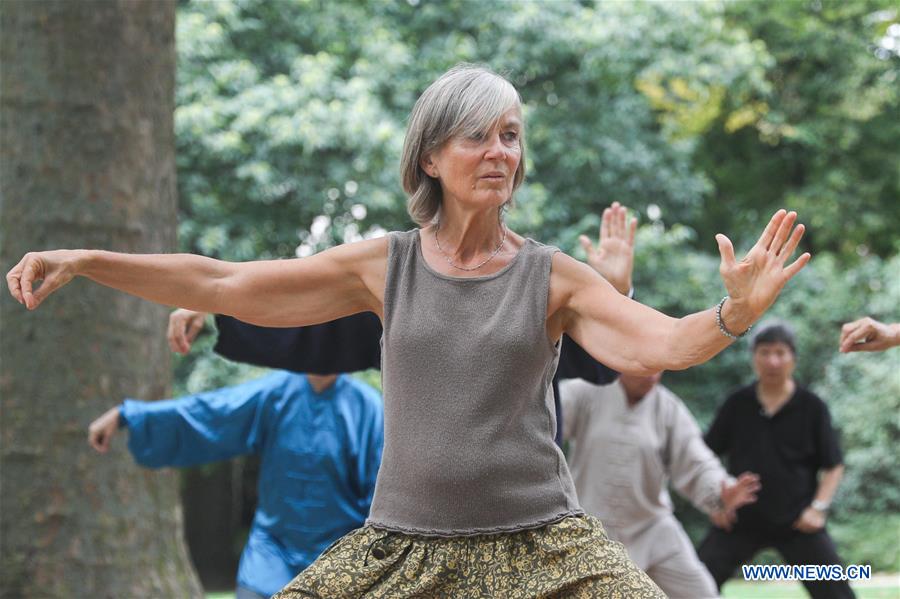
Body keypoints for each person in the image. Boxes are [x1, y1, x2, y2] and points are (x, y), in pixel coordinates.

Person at [8, 64, 810, 597]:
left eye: (511, 134)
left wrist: (733, 313)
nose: (501, 151)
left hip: (545, 549)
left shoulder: (554, 275)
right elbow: (223, 281)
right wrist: (87, 258)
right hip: (403, 547)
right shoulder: (380, 264)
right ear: (431, 155)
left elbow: (662, 344)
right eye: (480, 136)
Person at [165, 202, 639, 447]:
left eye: (508, 138)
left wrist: (614, 296)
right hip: (423, 517)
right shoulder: (396, 286)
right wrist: (221, 310)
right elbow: (311, 329)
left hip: (527, 513)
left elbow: (602, 362)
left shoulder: (539, 281)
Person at [87, 371, 383, 599]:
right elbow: (210, 414)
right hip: (272, 555)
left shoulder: (369, 409)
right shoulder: (274, 394)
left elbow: (381, 499)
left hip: (338, 559)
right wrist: (127, 415)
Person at [560, 372, 760, 598]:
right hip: (591, 530)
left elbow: (697, 461)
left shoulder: (668, 408)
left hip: (652, 529)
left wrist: (720, 490)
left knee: (703, 593)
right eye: (646, 365)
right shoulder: (587, 391)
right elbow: (544, 418)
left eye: (659, 367)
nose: (652, 375)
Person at [698, 322, 854, 599]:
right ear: (754, 358)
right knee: (693, 583)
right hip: (740, 520)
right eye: (765, 352)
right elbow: (703, 456)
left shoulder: (812, 406)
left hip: (797, 521)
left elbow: (833, 464)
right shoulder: (737, 404)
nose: (772, 361)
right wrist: (714, 502)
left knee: (837, 592)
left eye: (780, 353)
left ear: (792, 358)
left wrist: (818, 509)